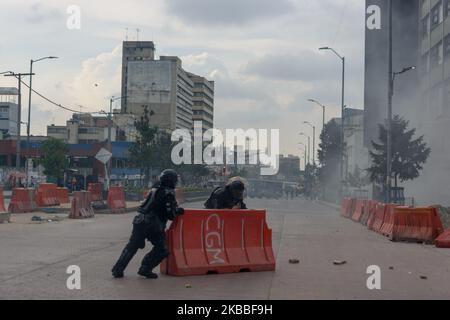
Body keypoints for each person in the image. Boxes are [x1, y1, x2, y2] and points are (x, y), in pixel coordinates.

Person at [111, 169, 184, 279]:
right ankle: (145, 268)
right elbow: (170, 215)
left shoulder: (154, 190)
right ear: (171, 180)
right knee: (162, 249)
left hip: (139, 220)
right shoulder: (168, 192)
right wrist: (178, 211)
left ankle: (117, 269)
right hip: (153, 224)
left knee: (132, 247)